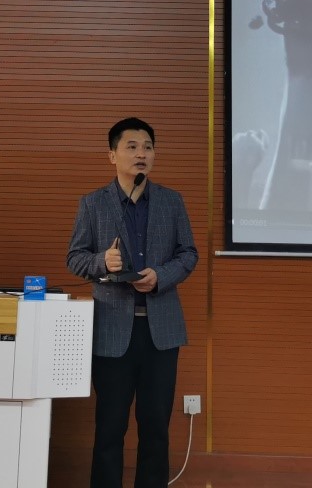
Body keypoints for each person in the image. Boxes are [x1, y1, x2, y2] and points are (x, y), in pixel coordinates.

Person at [66, 117, 198, 488]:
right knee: (110, 426)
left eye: (148, 147)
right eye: (132, 146)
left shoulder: (171, 201)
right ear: (112, 155)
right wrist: (101, 262)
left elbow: (188, 253)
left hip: (161, 332)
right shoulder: (93, 203)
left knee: (156, 426)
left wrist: (161, 276)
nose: (142, 154)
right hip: (112, 331)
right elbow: (75, 257)